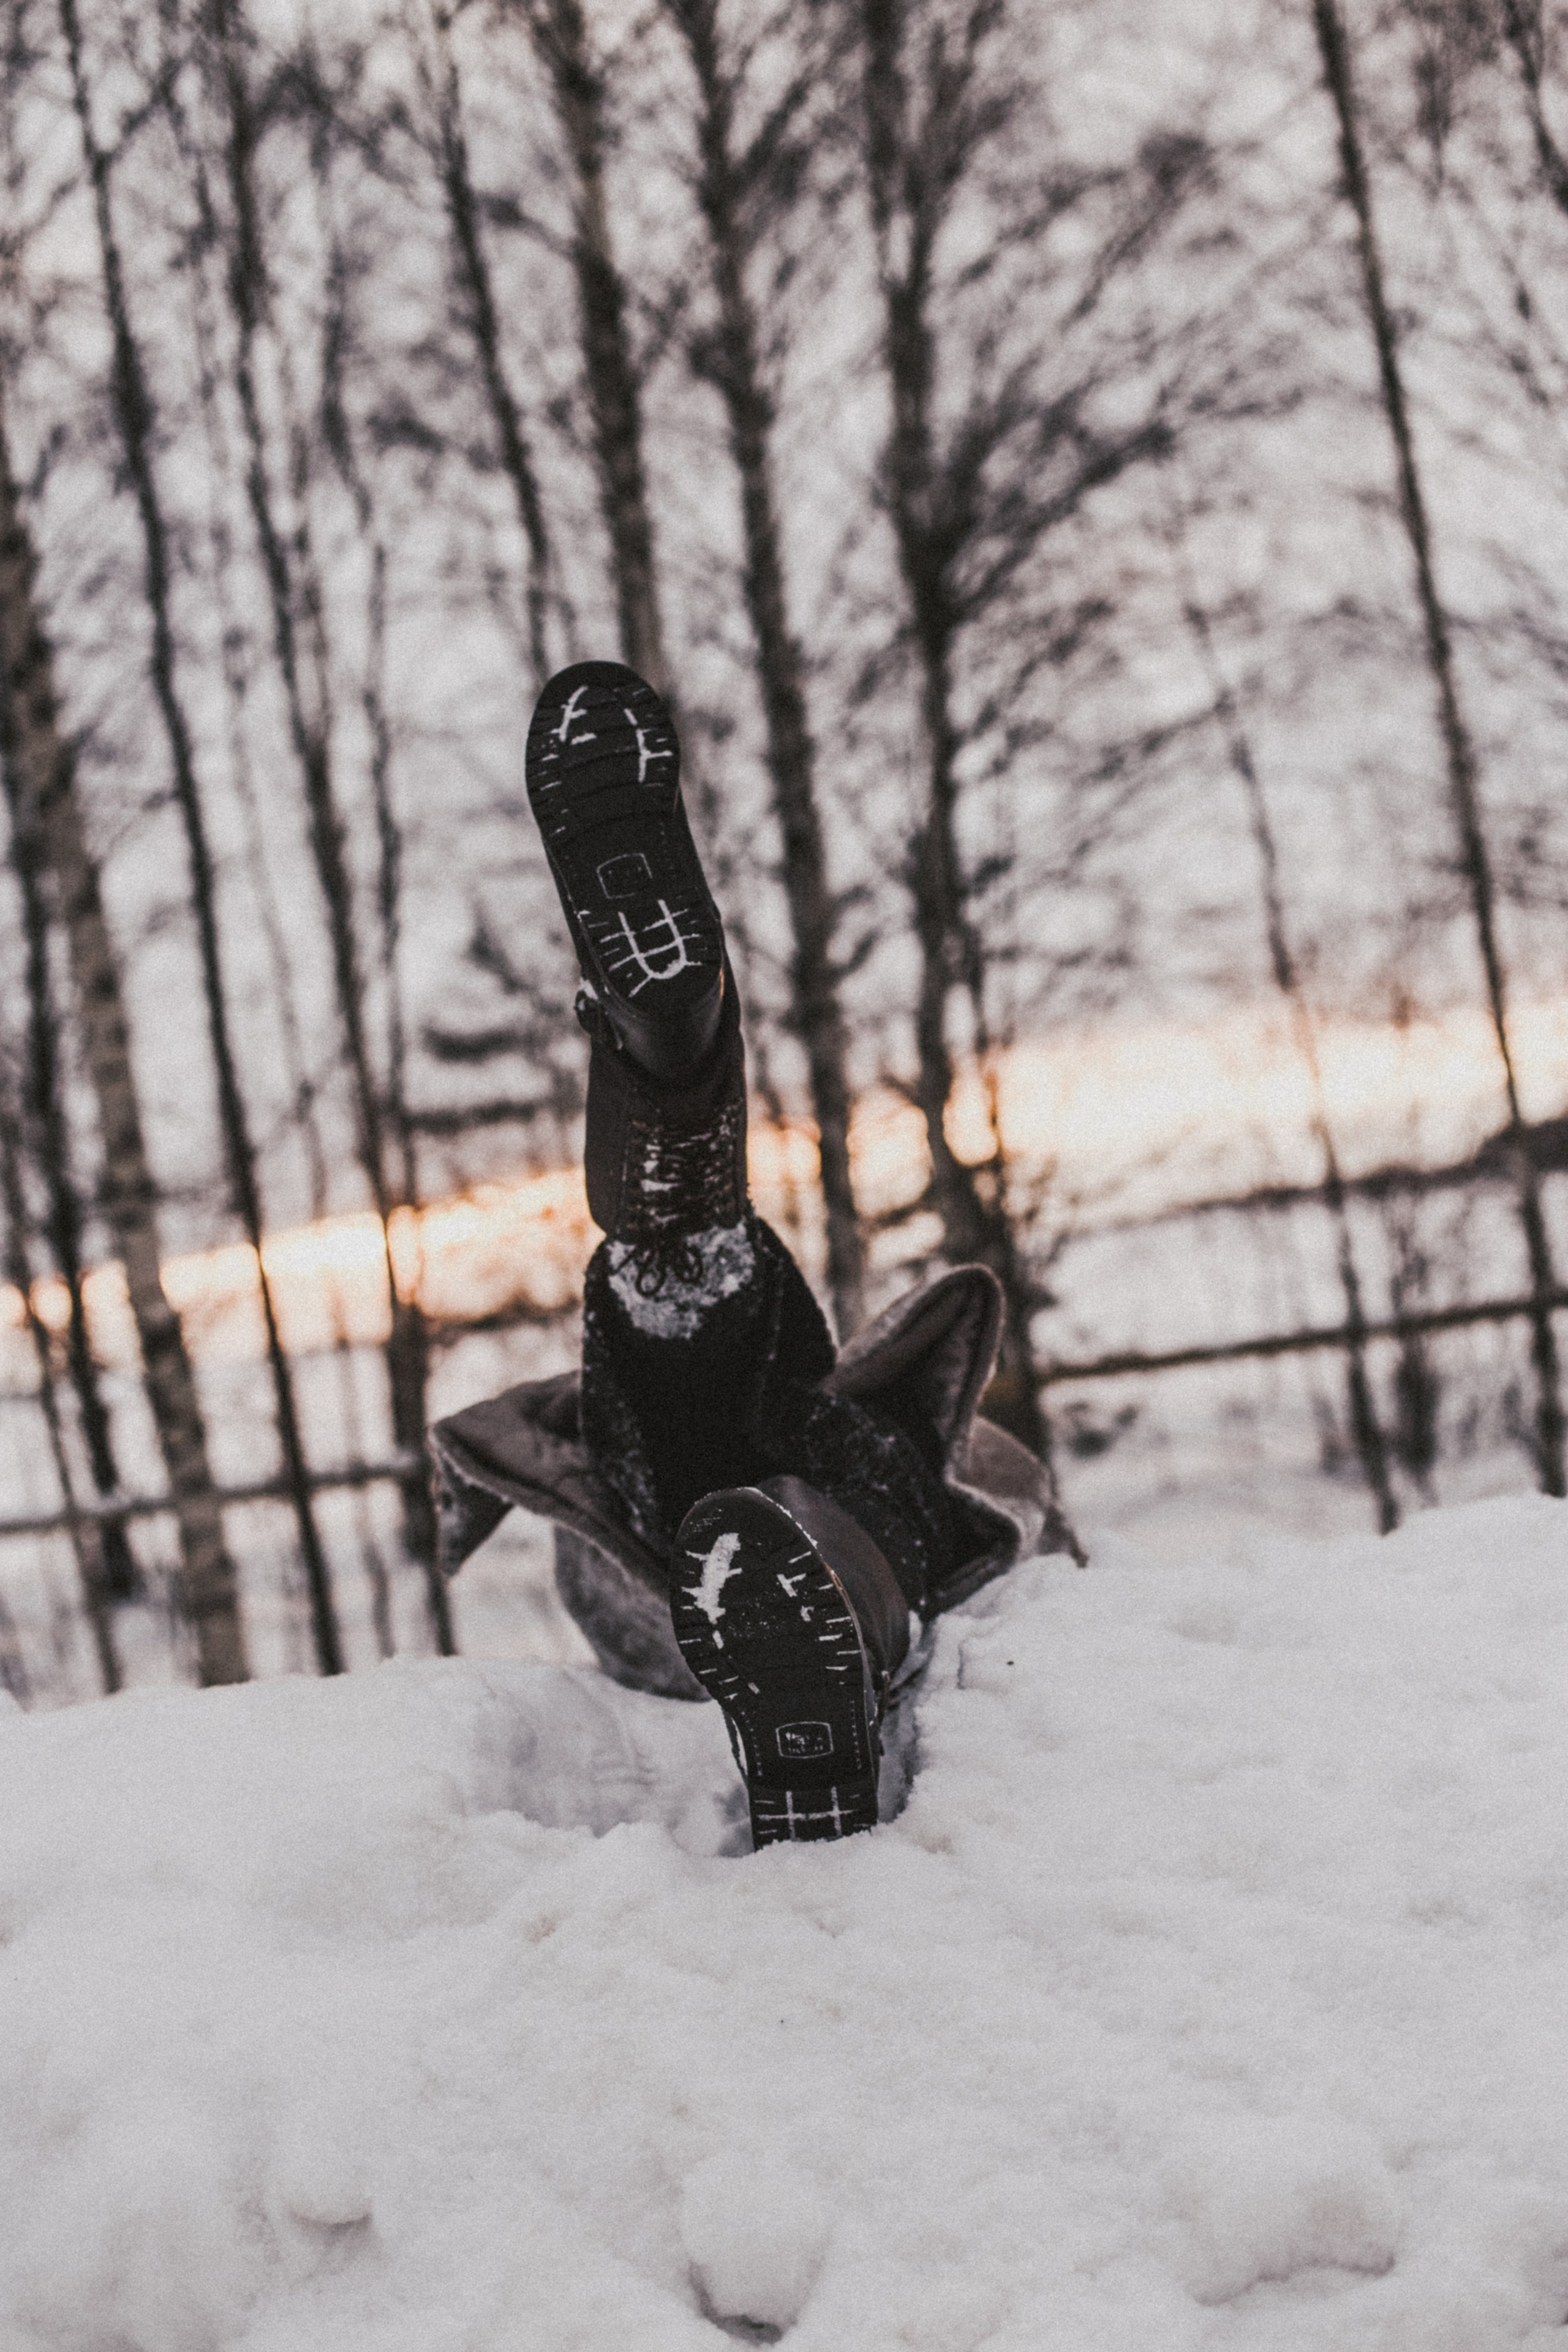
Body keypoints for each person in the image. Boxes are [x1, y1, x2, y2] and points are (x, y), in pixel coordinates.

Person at [428, 662, 1074, 1848]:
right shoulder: (949, 1463)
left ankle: (671, 1068)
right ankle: (673, 1076)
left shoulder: (621, 1449)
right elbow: (1025, 1521)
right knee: (734, 1391)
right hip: (790, 1500)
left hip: (674, 1528)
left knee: (685, 1343)